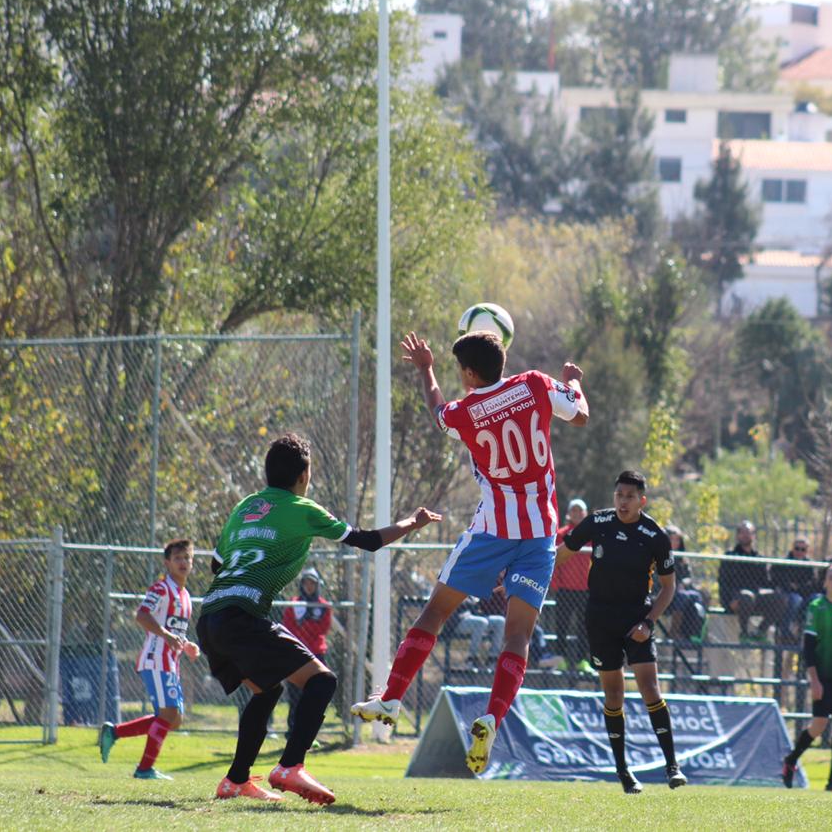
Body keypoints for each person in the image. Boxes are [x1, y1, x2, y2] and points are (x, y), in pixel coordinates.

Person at [351, 330, 588, 775]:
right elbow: (580, 415)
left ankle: (391, 699)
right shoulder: (535, 384)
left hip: (492, 531)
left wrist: (425, 368)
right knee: (517, 636)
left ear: (468, 372)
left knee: (434, 614)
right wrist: (572, 381)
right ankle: (492, 718)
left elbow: (436, 411)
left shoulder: (466, 411)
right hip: (539, 535)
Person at [198, 433, 440, 804]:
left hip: (211, 616)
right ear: (303, 475)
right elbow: (367, 541)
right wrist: (410, 523)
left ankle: (235, 781)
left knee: (268, 690)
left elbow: (216, 564)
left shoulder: (245, 506)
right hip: (241, 616)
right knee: (322, 681)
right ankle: (290, 766)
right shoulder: (302, 508)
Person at [555, 470, 686, 794]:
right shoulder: (598, 522)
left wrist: (649, 622)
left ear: (642, 500)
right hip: (600, 618)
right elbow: (562, 554)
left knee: (650, 689)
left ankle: (673, 767)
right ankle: (623, 772)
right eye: (619, 495)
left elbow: (669, 588)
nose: (623, 501)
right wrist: (520, 573)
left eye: (629, 496)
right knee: (614, 695)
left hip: (636, 621)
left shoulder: (654, 534)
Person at [99, 538, 200, 779]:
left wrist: (186, 645)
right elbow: (142, 616)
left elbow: (175, 630)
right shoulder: (161, 588)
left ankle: (114, 733)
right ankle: (144, 769)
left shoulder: (185, 595)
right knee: (168, 715)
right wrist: (165, 635)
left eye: (187, 558)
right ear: (167, 563)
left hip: (171, 663)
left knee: (174, 720)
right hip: (156, 660)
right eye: (177, 558)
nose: (183, 562)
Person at [781, 564, 832, 793]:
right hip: (823, 676)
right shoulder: (817, 607)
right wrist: (814, 680)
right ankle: (791, 759)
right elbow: (808, 648)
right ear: (825, 582)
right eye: (831, 577)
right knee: (819, 725)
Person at [282, 569, 338, 736]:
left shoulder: (323, 606)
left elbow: (322, 629)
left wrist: (304, 624)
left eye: (312, 583)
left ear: (317, 585)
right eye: (306, 583)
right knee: (294, 695)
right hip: (296, 653)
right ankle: (292, 730)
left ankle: (309, 732)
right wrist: (307, 624)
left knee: (315, 695)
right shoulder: (294, 604)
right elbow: (289, 627)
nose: (309, 587)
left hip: (316, 654)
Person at [718, 521, 777, 641]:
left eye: (749, 532)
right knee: (746, 596)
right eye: (742, 532)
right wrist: (727, 601)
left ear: (754, 535)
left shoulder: (759, 558)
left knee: (780, 597)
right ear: (737, 536)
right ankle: (744, 633)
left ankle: (760, 632)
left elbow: (766, 582)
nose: (745, 535)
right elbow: (723, 581)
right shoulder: (730, 556)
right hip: (736, 599)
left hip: (755, 597)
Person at [552, 499, 593, 670]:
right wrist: (555, 585)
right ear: (569, 513)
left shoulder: (593, 535)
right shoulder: (561, 534)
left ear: (585, 513)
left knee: (585, 627)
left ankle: (582, 661)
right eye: (574, 511)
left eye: (580, 511)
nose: (577, 514)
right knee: (561, 626)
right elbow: (554, 561)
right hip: (564, 589)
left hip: (586, 590)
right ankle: (560, 659)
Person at [768, 538, 817, 644]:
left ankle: (814, 633)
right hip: (787, 597)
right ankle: (785, 630)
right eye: (797, 548)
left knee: (817, 598)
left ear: (806, 551)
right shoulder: (783, 562)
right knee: (796, 599)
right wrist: (791, 586)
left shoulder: (809, 565)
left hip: (804, 596)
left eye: (803, 549)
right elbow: (776, 579)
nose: (799, 552)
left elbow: (812, 584)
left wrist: (797, 587)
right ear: (792, 548)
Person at [662, 526, 706, 641]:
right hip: (663, 595)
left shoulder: (682, 559)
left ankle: (694, 633)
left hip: (680, 595)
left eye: (678, 540)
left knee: (699, 595)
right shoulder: (659, 556)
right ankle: (673, 632)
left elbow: (688, 578)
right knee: (683, 596)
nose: (675, 543)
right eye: (672, 539)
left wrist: (683, 583)